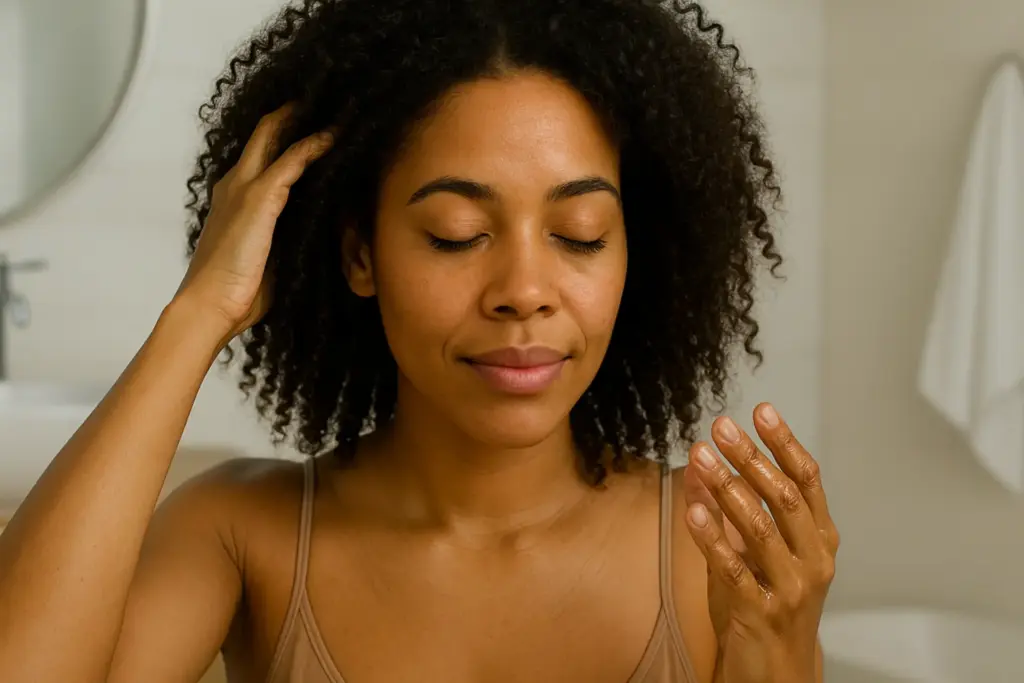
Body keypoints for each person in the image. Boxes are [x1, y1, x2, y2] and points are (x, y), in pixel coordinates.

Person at [0, 1, 839, 682]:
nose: (524, 292)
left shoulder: (712, 554)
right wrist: (196, 314)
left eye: (581, 234)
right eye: (454, 232)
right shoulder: (240, 534)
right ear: (361, 254)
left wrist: (778, 658)